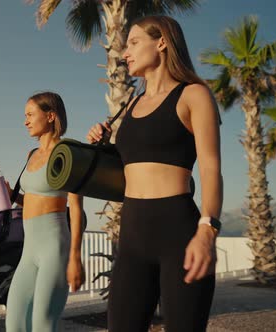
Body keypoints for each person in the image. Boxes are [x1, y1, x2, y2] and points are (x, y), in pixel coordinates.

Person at [86, 15, 222, 332]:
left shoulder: (194, 95)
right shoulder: (130, 104)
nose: (125, 53)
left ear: (161, 41)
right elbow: (132, 167)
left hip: (179, 232)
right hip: (132, 235)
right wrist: (103, 145)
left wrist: (207, 230)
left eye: (133, 42)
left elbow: (211, 168)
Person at [0, 91, 85, 332]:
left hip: (55, 246)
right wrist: (12, 194)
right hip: (29, 250)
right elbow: (37, 200)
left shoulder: (68, 152)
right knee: (16, 322)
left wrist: (75, 257)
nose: (26, 121)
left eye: (31, 114)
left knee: (42, 323)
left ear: (51, 115)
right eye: (25, 115)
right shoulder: (31, 155)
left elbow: (75, 208)